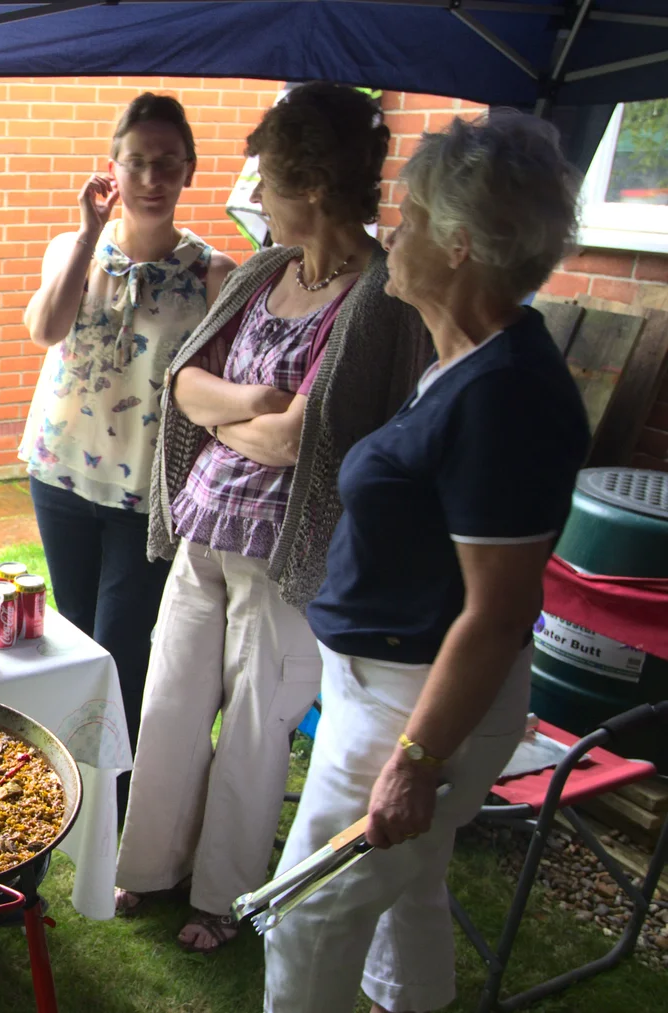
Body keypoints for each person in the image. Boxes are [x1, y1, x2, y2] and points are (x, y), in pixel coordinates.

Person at [264, 113, 590, 1013]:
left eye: (406, 218)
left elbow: (497, 610)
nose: (389, 233)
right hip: (387, 690)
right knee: (408, 892)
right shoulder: (470, 363)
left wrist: (414, 757)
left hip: (415, 710)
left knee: (308, 916)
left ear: (459, 244)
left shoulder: (506, 399)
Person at [116, 83, 432, 952]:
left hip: (290, 550)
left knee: (256, 727)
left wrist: (235, 415)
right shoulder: (264, 271)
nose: (255, 198)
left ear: (317, 186)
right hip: (205, 527)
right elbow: (184, 381)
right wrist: (247, 399)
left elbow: (307, 438)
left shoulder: (378, 298)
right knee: (171, 702)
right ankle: (148, 867)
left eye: (269, 182)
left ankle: (222, 897)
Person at [19, 93, 235, 824]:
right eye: (137, 161)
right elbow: (46, 329)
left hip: (147, 493)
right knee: (76, 637)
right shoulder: (71, 248)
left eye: (167, 163)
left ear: (189, 172)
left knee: (121, 651)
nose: (151, 176)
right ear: (113, 167)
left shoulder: (212, 273)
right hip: (60, 473)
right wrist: (88, 232)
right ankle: (72, 794)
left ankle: (121, 813)